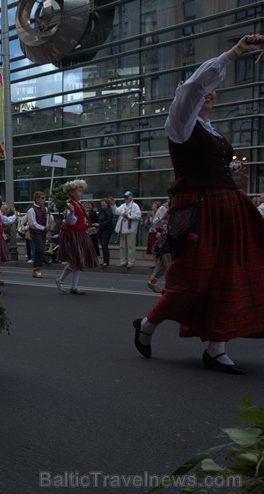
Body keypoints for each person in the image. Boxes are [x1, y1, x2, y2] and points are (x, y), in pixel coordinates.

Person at [132, 34, 264, 375]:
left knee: (229, 276)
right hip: (200, 209)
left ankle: (216, 348)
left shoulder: (213, 132)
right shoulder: (180, 125)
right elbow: (191, 90)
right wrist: (233, 54)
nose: (209, 94)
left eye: (213, 91)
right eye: (204, 91)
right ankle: (147, 325)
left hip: (228, 207)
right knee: (191, 279)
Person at [55, 180, 99, 294]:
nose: (81, 193)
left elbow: (80, 219)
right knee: (75, 260)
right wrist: (70, 213)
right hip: (72, 234)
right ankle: (62, 281)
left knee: (78, 261)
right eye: (79, 191)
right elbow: (70, 221)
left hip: (80, 233)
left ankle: (72, 286)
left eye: (81, 191)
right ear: (71, 193)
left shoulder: (79, 204)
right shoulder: (69, 204)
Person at [108, 191, 142, 268]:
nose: (125, 198)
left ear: (131, 197)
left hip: (131, 230)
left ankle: (130, 262)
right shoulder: (123, 205)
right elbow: (116, 212)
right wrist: (113, 204)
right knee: (122, 247)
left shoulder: (135, 206)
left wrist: (128, 216)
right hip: (123, 229)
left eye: (127, 197)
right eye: (124, 197)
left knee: (130, 247)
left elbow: (138, 216)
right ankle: (123, 261)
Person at [26, 191, 53, 279]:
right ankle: (38, 268)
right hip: (35, 232)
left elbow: (49, 220)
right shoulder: (31, 210)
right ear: (37, 199)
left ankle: (35, 269)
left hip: (42, 233)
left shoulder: (45, 209)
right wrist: (43, 228)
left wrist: (49, 213)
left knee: (39, 250)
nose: (43, 200)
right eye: (42, 198)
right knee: (40, 248)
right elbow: (32, 223)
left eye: (43, 198)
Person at [146, 202, 169, 293]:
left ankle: (152, 282)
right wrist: (162, 218)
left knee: (162, 266)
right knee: (169, 265)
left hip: (165, 242)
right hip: (166, 243)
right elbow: (155, 224)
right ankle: (170, 287)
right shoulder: (164, 208)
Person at [96, 198, 114, 267]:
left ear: (107, 203)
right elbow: (98, 218)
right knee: (103, 245)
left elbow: (108, 221)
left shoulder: (109, 211)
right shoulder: (102, 210)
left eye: (104, 203)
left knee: (104, 244)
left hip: (107, 229)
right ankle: (104, 260)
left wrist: (100, 224)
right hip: (101, 229)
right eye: (101, 203)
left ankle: (106, 261)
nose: (102, 204)